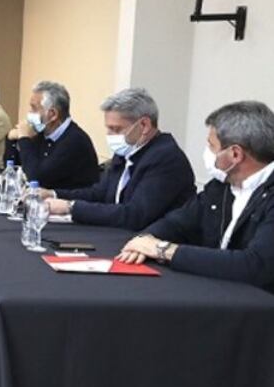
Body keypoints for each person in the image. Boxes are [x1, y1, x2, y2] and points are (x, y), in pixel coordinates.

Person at [117, 101, 274, 292]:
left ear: (235, 154)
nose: (207, 152)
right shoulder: (220, 186)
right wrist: (144, 240)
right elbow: (177, 223)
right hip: (217, 292)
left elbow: (256, 266)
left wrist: (164, 250)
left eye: (211, 145)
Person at [41, 88, 194, 230]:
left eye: (116, 129)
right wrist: (53, 194)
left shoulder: (166, 158)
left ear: (144, 125)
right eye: (108, 128)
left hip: (150, 244)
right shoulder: (127, 150)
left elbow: (135, 215)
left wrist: (71, 207)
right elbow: (99, 194)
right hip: (117, 234)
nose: (110, 135)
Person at [3, 80, 100, 189]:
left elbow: (36, 179)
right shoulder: (41, 133)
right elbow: (11, 169)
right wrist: (11, 139)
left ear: (53, 114)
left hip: (69, 202)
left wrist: (24, 138)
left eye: (34, 108)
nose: (29, 113)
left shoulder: (74, 141)